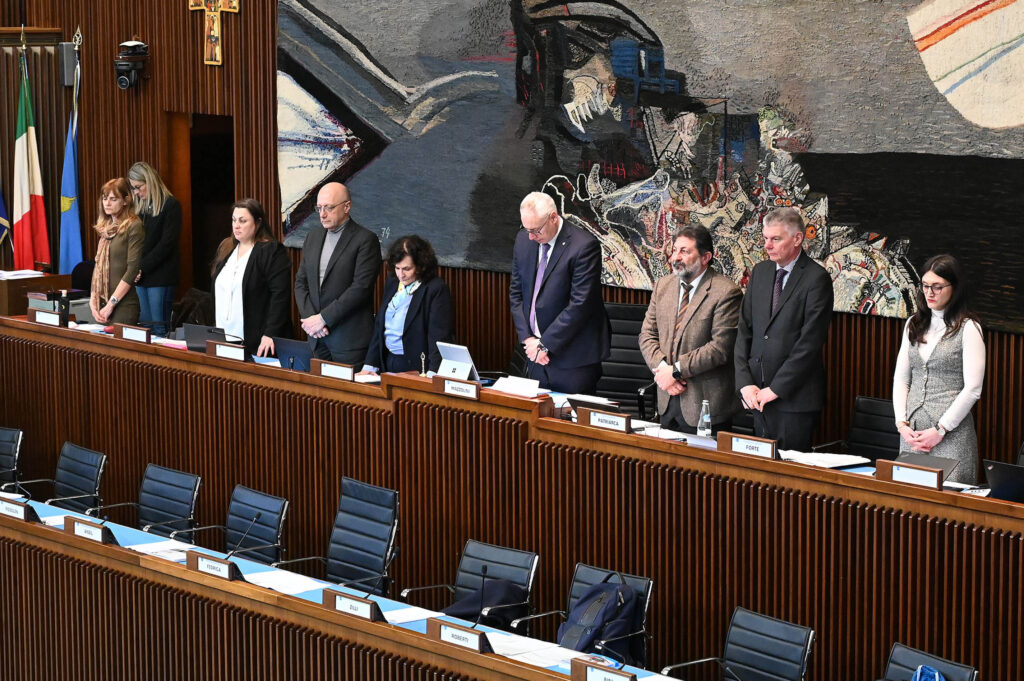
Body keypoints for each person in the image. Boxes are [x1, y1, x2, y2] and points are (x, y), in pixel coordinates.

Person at [734, 206, 833, 451]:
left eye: (775, 239)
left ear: (797, 238)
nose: (767, 245)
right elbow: (744, 330)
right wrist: (745, 383)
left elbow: (809, 344)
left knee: (787, 484)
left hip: (793, 401)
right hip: (756, 396)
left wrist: (775, 389)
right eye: (765, 238)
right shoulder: (760, 272)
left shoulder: (816, 279)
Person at [639, 226, 742, 433]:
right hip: (667, 398)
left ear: (706, 257)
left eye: (684, 251)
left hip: (705, 405)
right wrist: (664, 372)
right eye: (675, 250)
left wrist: (676, 371)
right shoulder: (662, 286)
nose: (675, 257)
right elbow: (647, 335)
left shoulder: (726, 292)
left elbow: (719, 348)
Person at [892, 254, 984, 484]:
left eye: (937, 286)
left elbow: (973, 389)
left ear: (954, 288)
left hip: (950, 438)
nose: (930, 292)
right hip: (911, 436)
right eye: (925, 285)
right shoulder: (914, 323)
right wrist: (901, 424)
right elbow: (902, 379)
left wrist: (941, 429)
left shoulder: (968, 328)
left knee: (949, 514)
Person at [510, 191, 610, 394]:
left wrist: (545, 344)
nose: (530, 236)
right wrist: (528, 339)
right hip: (535, 355)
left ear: (553, 218)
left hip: (573, 358)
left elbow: (580, 305)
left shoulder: (583, 246)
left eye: (536, 230)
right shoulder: (524, 241)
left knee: (569, 422)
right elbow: (516, 293)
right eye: (526, 228)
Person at [294, 182, 382, 365]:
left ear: (347, 207)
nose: (322, 214)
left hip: (348, 341)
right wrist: (313, 322)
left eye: (329, 207)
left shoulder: (366, 240)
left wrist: (323, 319)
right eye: (319, 208)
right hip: (316, 339)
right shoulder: (312, 236)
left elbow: (360, 288)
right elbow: (300, 283)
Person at [358, 235, 454, 375]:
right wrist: (369, 366)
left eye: (407, 269)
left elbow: (438, 337)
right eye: (397, 268)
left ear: (421, 266)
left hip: (417, 367)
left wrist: (433, 374)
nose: (401, 275)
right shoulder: (393, 281)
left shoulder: (435, 289)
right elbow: (380, 325)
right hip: (388, 361)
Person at [211, 199, 292, 357]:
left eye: (243, 221)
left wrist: (270, 334)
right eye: (234, 220)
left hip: (258, 341)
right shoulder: (228, 249)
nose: (236, 225)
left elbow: (280, 296)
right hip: (225, 338)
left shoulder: (271, 251)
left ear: (258, 222)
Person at [128, 162, 181, 336]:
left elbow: (167, 244)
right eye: (133, 188)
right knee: (146, 327)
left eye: (138, 187)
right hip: (141, 275)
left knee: (159, 327)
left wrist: (141, 267)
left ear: (149, 181)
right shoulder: (140, 208)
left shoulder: (170, 205)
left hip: (161, 275)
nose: (136, 192)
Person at [90, 178, 144, 325]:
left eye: (113, 199)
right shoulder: (106, 228)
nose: (107, 203)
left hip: (123, 306)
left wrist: (111, 304)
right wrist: (93, 299)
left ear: (125, 200)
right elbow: (98, 266)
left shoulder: (134, 226)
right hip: (102, 303)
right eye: (105, 198)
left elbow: (132, 270)